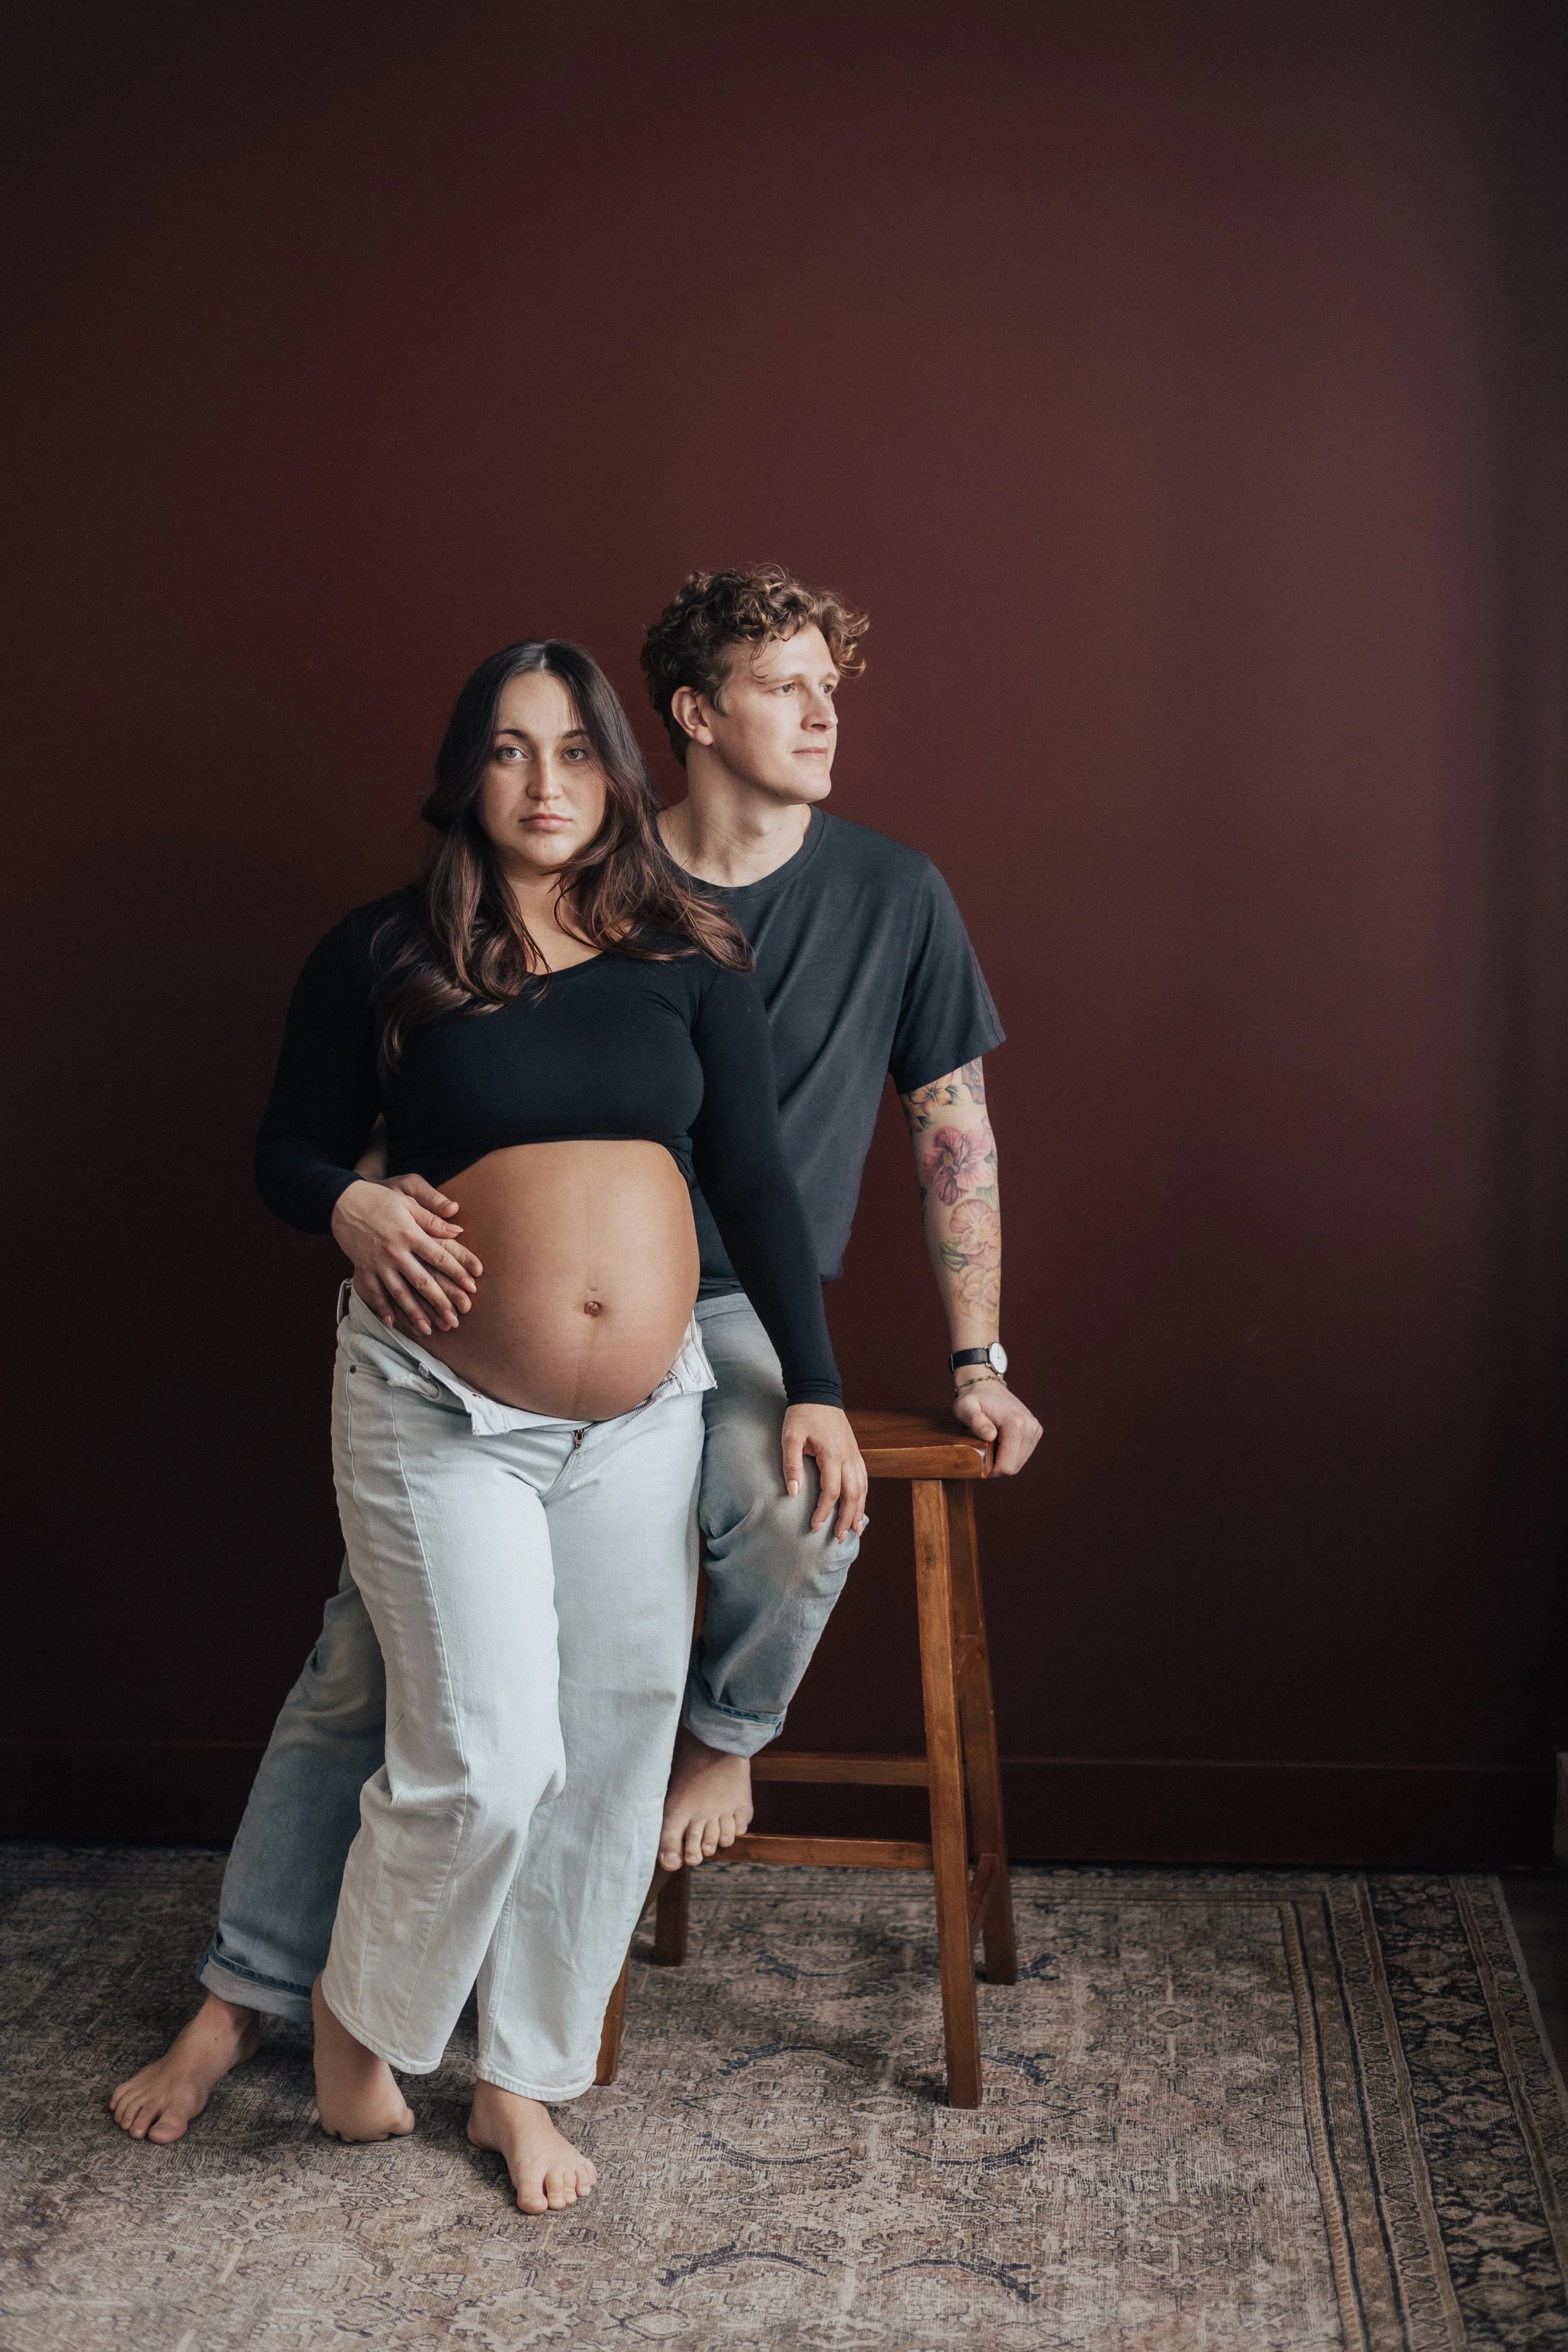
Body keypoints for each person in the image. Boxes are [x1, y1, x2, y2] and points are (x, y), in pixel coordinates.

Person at [111, 564, 1040, 2166]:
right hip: (448, 1394)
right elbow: (293, 1146)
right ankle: (292, 1995)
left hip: (673, 1376)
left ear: (617, 764)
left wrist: (884, 1370)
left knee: (629, 1716)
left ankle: (532, 2057)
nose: (545, 782)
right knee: (425, 1713)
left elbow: (788, 1170)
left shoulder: (714, 943)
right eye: (508, 750)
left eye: (570, 752)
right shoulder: (390, 947)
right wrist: (345, 1204)